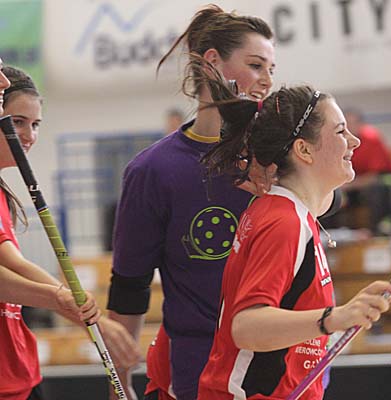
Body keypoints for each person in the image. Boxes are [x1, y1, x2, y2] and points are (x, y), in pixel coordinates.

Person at [106, 6, 338, 400]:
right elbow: (131, 286)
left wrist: (282, 183)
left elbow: (329, 198)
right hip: (202, 375)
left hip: (291, 371)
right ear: (212, 61)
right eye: (255, 65)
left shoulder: (276, 154)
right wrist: (119, 380)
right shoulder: (154, 171)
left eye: (271, 69)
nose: (267, 80)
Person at [194, 70, 391, 399]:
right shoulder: (284, 223)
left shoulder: (290, 211)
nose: (355, 141)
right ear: (304, 150)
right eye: (341, 131)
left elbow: (325, 198)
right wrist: (335, 318)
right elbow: (246, 326)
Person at [0, 63, 113, 400]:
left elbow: (14, 262)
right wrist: (59, 298)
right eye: (17, 122)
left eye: (35, 124)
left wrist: (70, 300)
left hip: (19, 368)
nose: (29, 136)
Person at [336, 108, 391, 232]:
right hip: (351, 184)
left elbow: (374, 176)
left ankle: (377, 231)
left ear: (360, 124)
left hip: (380, 182)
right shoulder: (338, 142)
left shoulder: (371, 138)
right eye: (345, 125)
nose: (349, 128)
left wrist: (348, 186)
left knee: (375, 191)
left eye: (352, 123)